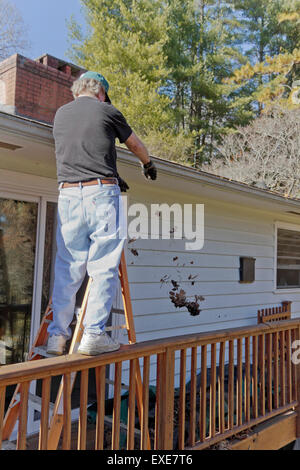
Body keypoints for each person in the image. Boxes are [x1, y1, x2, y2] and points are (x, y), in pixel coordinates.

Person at [46, 71, 157, 356]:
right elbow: (135, 144)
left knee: (68, 267)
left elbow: (85, 149)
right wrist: (148, 164)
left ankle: (57, 336)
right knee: (103, 266)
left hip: (68, 194)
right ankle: (94, 334)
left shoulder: (60, 114)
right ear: (101, 92)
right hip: (101, 194)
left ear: (77, 91)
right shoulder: (108, 111)